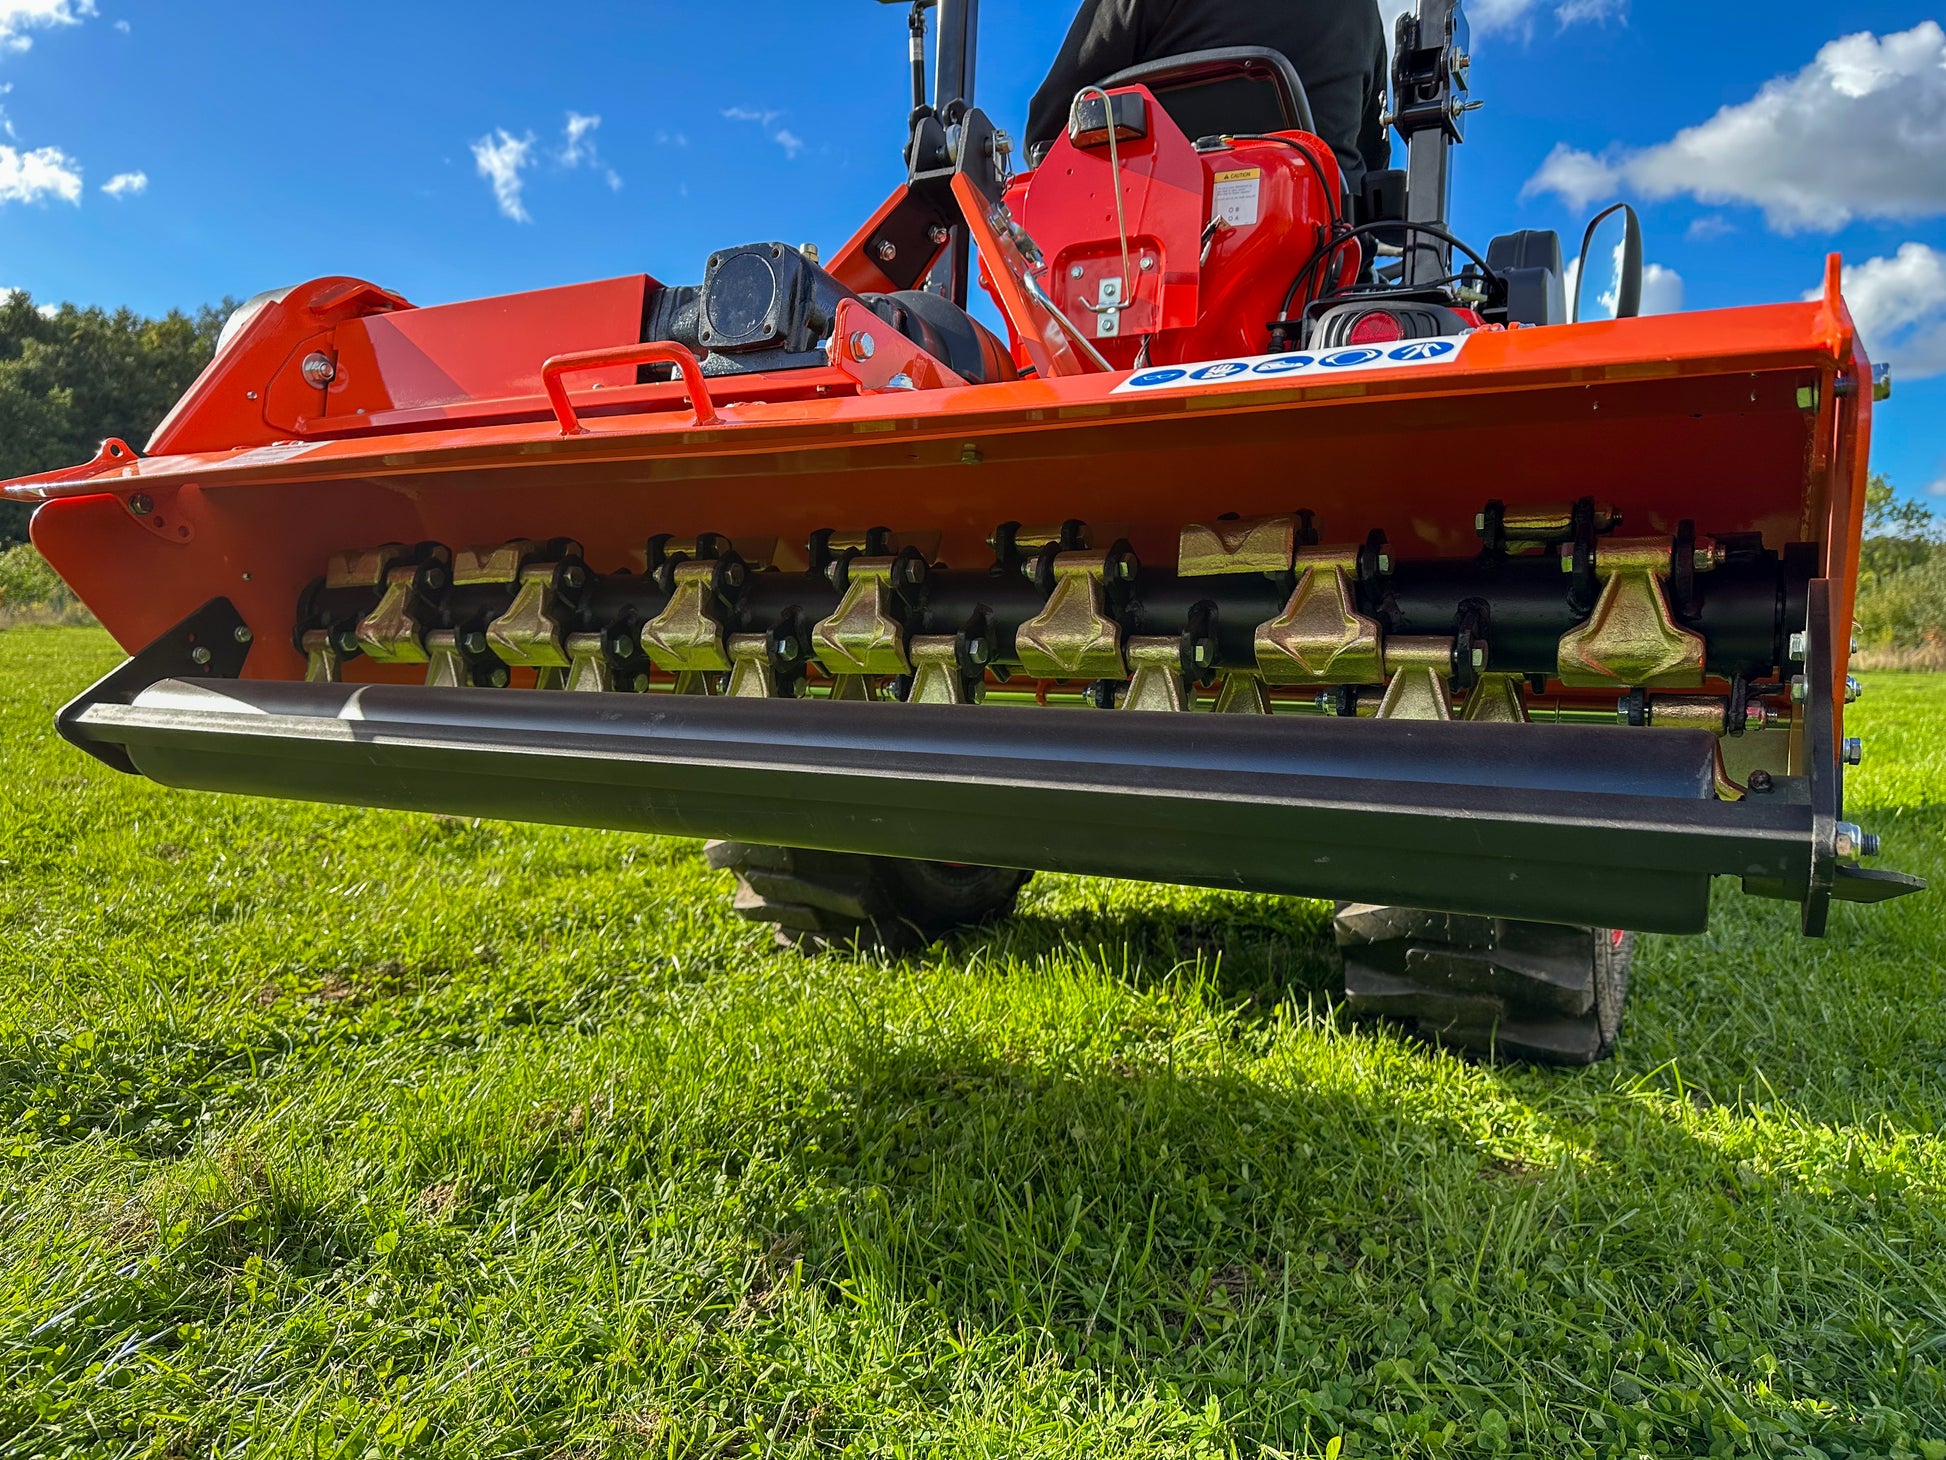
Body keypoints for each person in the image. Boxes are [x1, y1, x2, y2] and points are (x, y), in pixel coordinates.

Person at [1024, 0, 1392, 198]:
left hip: (1141, 256)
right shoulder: (1361, 14)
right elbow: (1369, 184)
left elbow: (1049, 130)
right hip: (1314, 268)